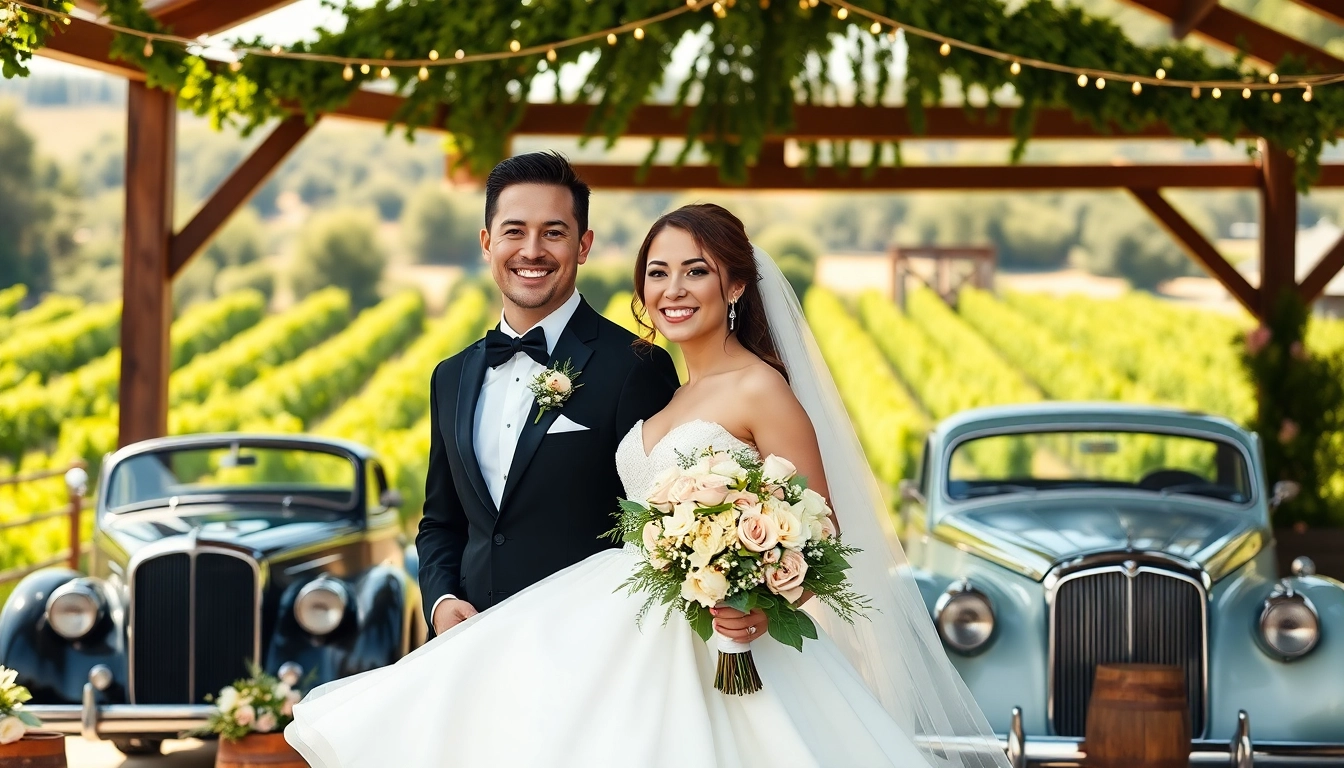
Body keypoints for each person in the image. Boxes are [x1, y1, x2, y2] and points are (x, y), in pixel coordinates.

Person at [286, 203, 1011, 768]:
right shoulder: (661, 399)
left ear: (733, 284)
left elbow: (821, 533)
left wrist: (759, 599)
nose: (672, 289)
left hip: (727, 645)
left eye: (694, 271)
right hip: (633, 625)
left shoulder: (763, 392)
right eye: (657, 273)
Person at [415, 151, 679, 637]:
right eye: (514, 231)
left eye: (553, 233)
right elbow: (440, 522)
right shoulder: (449, 377)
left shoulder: (636, 368)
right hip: (470, 650)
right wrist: (441, 601)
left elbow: (664, 529)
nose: (531, 250)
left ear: (583, 245)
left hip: (592, 651)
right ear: (487, 242)